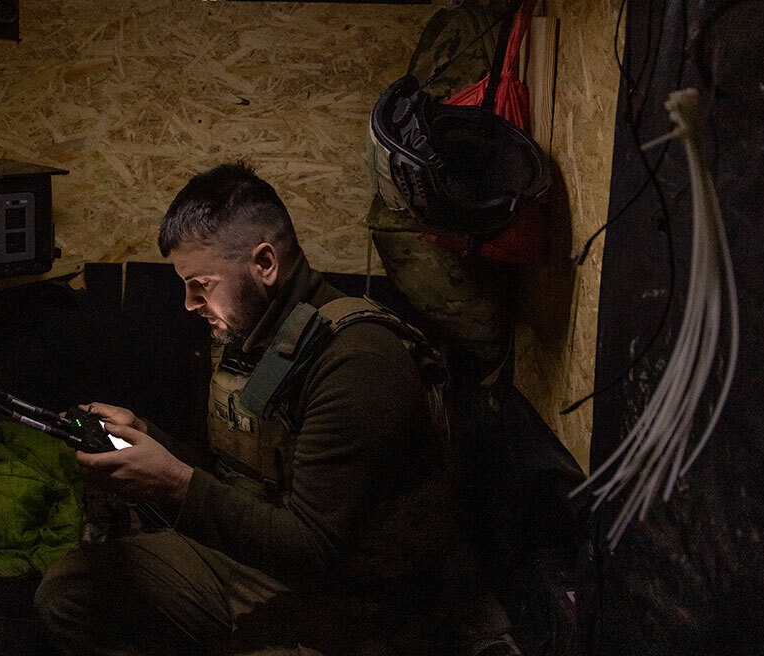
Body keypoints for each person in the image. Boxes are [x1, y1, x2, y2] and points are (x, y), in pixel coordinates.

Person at [35, 163, 515, 655]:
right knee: (72, 592)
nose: (189, 304)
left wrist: (173, 483)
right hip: (256, 560)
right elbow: (234, 478)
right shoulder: (247, 338)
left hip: (354, 601)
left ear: (264, 263)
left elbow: (313, 548)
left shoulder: (356, 360)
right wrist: (150, 440)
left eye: (201, 284)